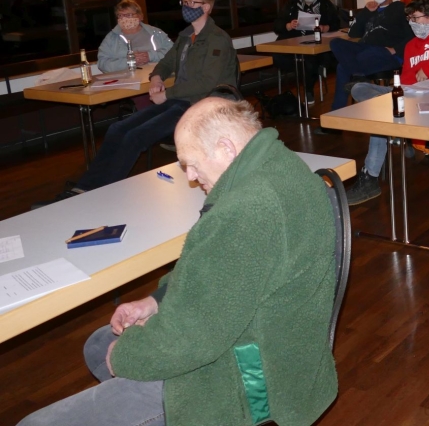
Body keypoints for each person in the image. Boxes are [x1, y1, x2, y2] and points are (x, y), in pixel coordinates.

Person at [19, 98, 339, 426]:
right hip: (272, 345)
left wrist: (128, 356)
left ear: (226, 148)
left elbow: (194, 339)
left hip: (250, 381)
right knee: (100, 343)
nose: (190, 176)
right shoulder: (279, 166)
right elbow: (218, 271)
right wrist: (156, 301)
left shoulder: (247, 210)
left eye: (192, 163)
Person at [56, 0, 238, 199]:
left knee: (135, 136)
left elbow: (207, 82)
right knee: (117, 129)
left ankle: (102, 192)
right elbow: (166, 62)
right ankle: (86, 187)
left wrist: (166, 94)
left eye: (192, 3)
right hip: (181, 100)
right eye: (184, 2)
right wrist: (156, 77)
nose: (186, 7)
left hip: (200, 104)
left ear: (206, 7)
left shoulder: (217, 38)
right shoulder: (186, 36)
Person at [346, 0, 429, 204]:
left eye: (416, 18)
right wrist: (403, 90)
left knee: (381, 114)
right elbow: (406, 80)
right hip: (410, 95)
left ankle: (370, 178)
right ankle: (386, 104)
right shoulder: (412, 45)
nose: (412, 23)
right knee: (360, 88)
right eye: (409, 19)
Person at [329, 0, 413, 109]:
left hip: (387, 53)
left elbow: (412, 35)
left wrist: (395, 49)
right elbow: (353, 33)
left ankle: (336, 112)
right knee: (336, 43)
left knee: (342, 67)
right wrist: (366, 12)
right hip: (365, 49)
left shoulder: (399, 8)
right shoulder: (370, 10)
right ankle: (359, 77)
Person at [272, 0, 341, 103]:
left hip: (316, 42)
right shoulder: (291, 3)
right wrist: (289, 25)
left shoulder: (325, 4)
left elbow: (336, 23)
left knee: (310, 59)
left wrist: (325, 28)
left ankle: (308, 91)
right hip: (294, 41)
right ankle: (295, 92)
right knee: (287, 58)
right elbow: (277, 25)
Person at [97, 0, 173, 73]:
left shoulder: (156, 33)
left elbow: (173, 52)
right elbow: (102, 64)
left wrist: (150, 56)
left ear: (140, 16)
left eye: (128, 15)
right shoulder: (111, 38)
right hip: (126, 78)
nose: (124, 18)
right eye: (120, 15)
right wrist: (128, 62)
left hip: (156, 74)